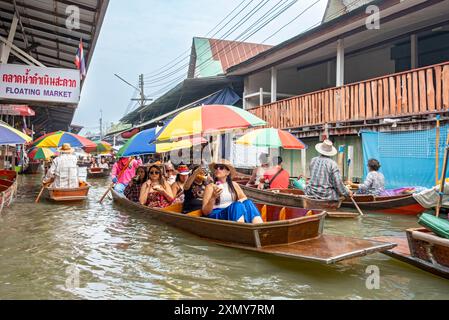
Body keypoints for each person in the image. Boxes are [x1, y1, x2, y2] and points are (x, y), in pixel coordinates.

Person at [202, 159, 263, 224]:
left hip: (232, 212)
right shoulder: (210, 187)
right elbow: (205, 212)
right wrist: (213, 197)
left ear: (228, 172)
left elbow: (244, 199)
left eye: (221, 167)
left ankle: (259, 227)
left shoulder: (234, 185)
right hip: (217, 215)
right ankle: (242, 229)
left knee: (248, 202)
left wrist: (239, 204)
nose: (218, 169)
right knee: (237, 205)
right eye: (216, 167)